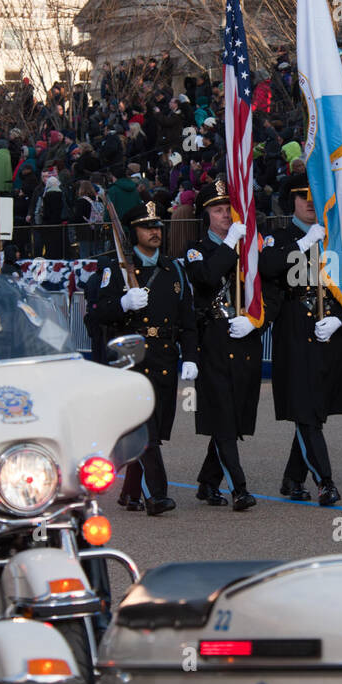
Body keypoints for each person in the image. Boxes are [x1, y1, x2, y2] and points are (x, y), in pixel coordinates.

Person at [81, 201, 194, 515]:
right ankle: (156, 495)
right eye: (147, 227)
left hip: (165, 358)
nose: (155, 232)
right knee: (146, 429)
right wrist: (122, 303)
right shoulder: (112, 271)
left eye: (158, 226)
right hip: (130, 361)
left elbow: (187, 319)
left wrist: (190, 355)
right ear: (132, 233)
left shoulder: (174, 269)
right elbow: (95, 315)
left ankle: (128, 491)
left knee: (154, 427)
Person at [258, 173, 342, 506]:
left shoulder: (335, 238)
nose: (309, 200)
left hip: (329, 332)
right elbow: (267, 266)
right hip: (296, 330)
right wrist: (304, 242)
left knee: (314, 409)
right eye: (301, 194)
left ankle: (293, 478)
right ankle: (325, 481)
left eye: (314, 194)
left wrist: (341, 318)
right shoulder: (281, 237)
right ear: (291, 201)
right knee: (306, 409)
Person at [181, 179, 259, 511]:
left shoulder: (244, 245)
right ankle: (239, 488)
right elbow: (209, 277)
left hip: (240, 337)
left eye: (227, 208)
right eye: (217, 209)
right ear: (205, 215)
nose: (225, 214)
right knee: (224, 416)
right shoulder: (196, 249)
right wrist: (229, 244)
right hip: (211, 338)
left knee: (233, 414)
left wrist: (256, 319)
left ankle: (207, 482)